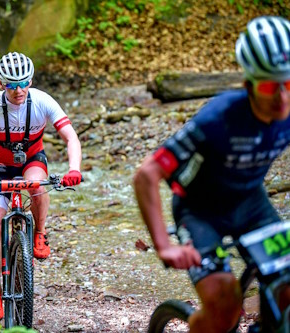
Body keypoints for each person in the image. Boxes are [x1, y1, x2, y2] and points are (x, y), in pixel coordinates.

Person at [133, 15, 290, 333]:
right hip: (199, 213)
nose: (283, 98)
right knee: (224, 307)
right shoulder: (217, 119)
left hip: (251, 204)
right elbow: (146, 175)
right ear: (249, 85)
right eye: (271, 86)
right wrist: (164, 245)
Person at [0, 52, 82, 321]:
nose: (19, 90)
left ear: (31, 80)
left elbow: (71, 137)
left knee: (37, 185)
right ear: (1, 84)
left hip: (31, 160)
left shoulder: (43, 101)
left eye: (24, 83)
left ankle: (40, 233)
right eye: (11, 85)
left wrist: (74, 170)